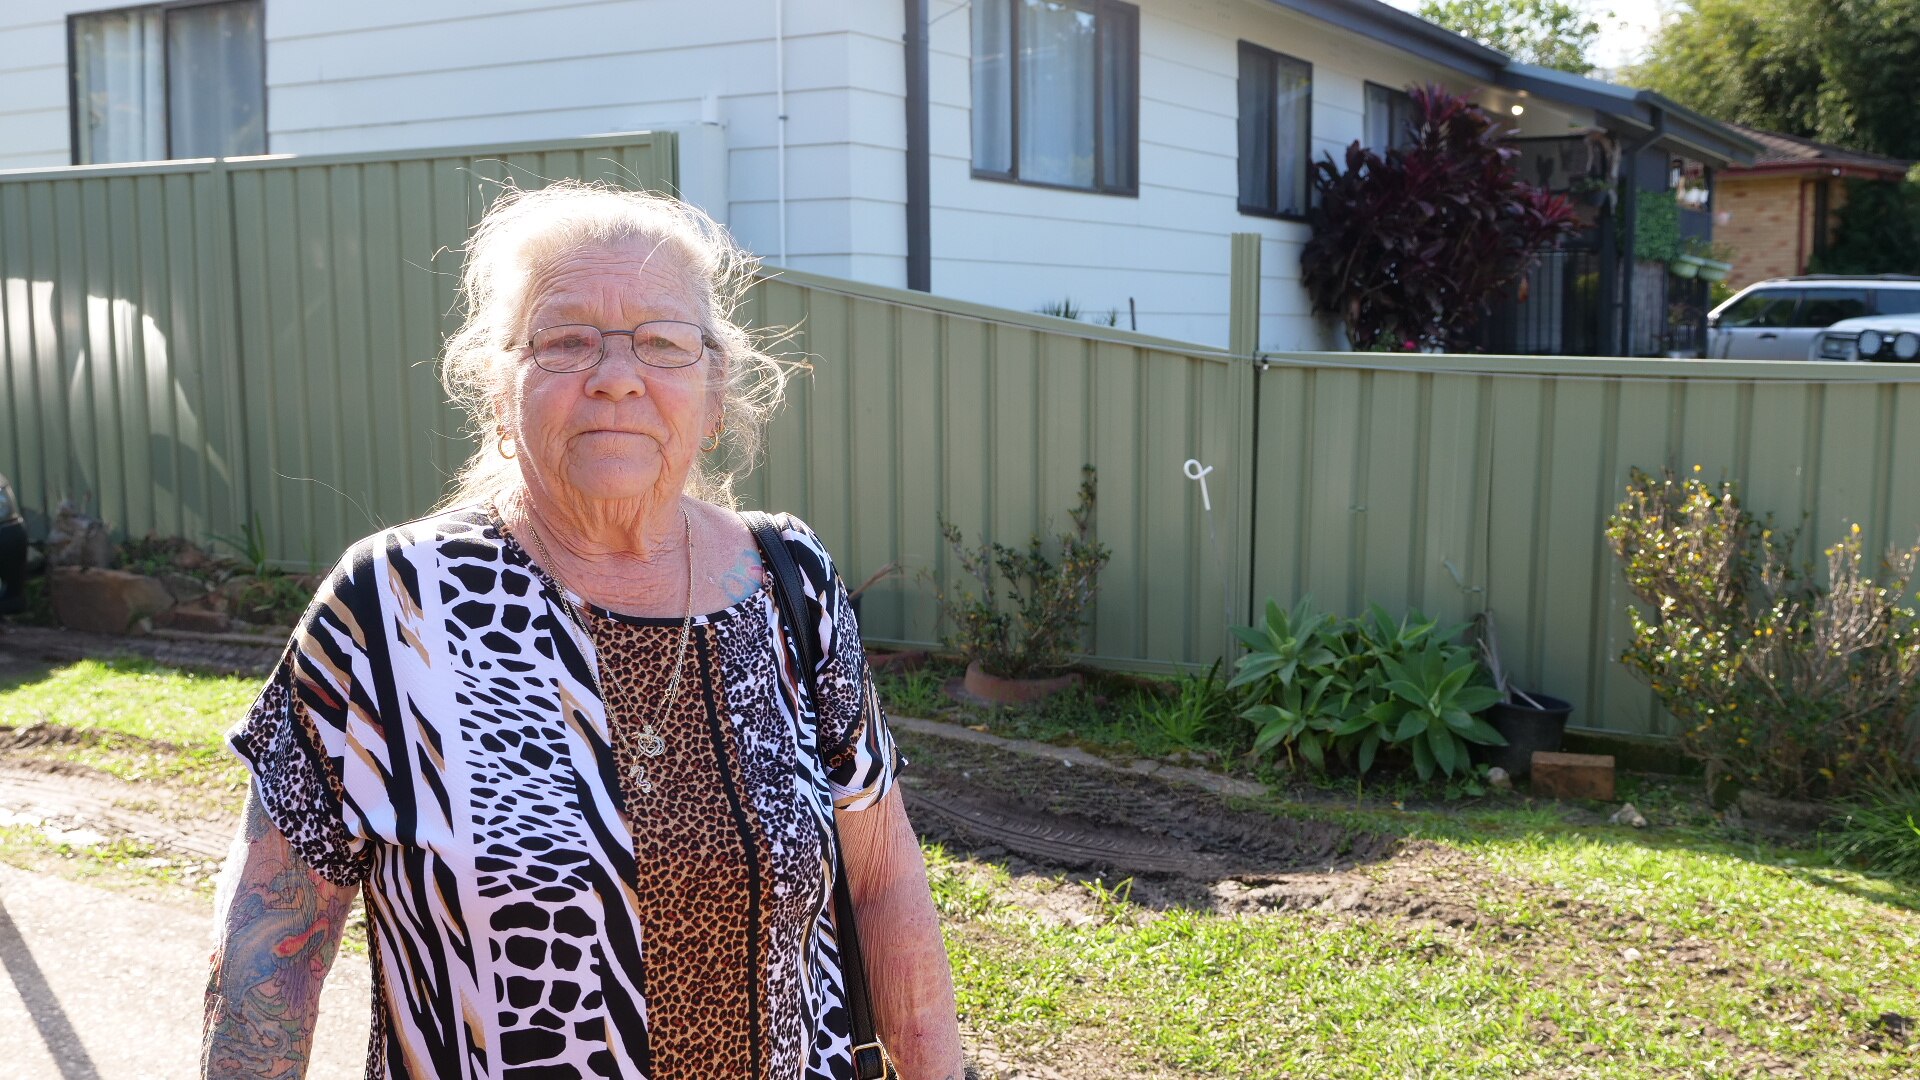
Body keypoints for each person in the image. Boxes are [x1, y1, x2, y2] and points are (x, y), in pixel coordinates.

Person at [202, 183, 968, 1079]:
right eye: (565, 340)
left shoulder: (791, 579)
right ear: (499, 388)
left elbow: (884, 886)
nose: (616, 374)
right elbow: (268, 947)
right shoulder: (390, 604)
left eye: (663, 342)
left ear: (715, 393)